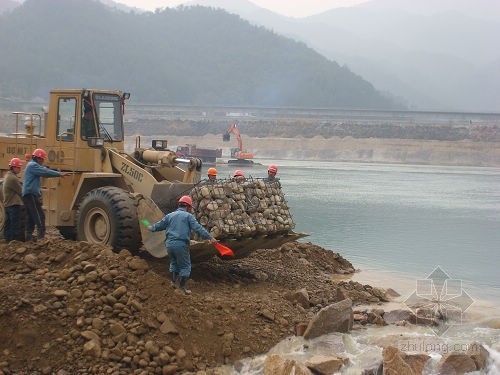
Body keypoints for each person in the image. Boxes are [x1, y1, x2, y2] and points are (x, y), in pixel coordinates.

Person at [148, 195, 217, 294]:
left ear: (179, 204)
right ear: (188, 207)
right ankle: (181, 287)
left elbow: (156, 227)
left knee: (174, 263)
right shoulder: (188, 216)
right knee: (185, 266)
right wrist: (210, 237)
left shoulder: (169, 215)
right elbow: (198, 229)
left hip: (169, 244)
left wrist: (148, 226)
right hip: (180, 244)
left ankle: (173, 282)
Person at [22, 148, 71, 242]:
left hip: (28, 195)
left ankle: (28, 239)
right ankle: (41, 239)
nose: (43, 161)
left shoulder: (32, 165)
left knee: (31, 217)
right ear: (38, 158)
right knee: (39, 216)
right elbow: (45, 172)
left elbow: (44, 170)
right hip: (31, 195)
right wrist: (59, 174)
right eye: (42, 159)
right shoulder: (33, 165)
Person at [3, 158, 23, 242]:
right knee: (15, 224)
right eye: (18, 167)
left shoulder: (7, 176)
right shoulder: (13, 178)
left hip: (7, 205)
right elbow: (21, 191)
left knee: (8, 223)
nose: (20, 169)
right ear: (13, 168)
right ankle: (14, 241)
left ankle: (7, 240)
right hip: (13, 205)